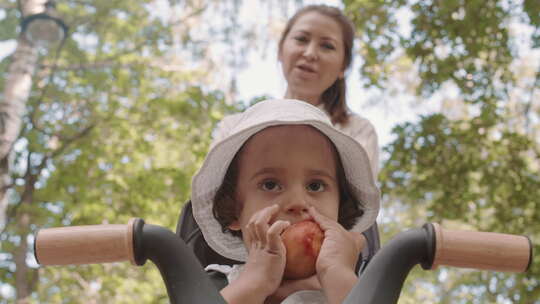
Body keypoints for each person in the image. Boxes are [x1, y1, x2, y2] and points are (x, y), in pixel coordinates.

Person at [191, 99, 380, 304]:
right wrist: (252, 285)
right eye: (270, 185)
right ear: (234, 210)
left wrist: (341, 280)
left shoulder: (356, 289)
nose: (298, 202)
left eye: (315, 186)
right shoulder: (216, 284)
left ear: (339, 208)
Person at [214, 4, 379, 178]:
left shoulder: (359, 132)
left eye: (327, 46)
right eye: (301, 39)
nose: (310, 53)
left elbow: (357, 203)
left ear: (343, 66)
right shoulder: (233, 129)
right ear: (280, 50)